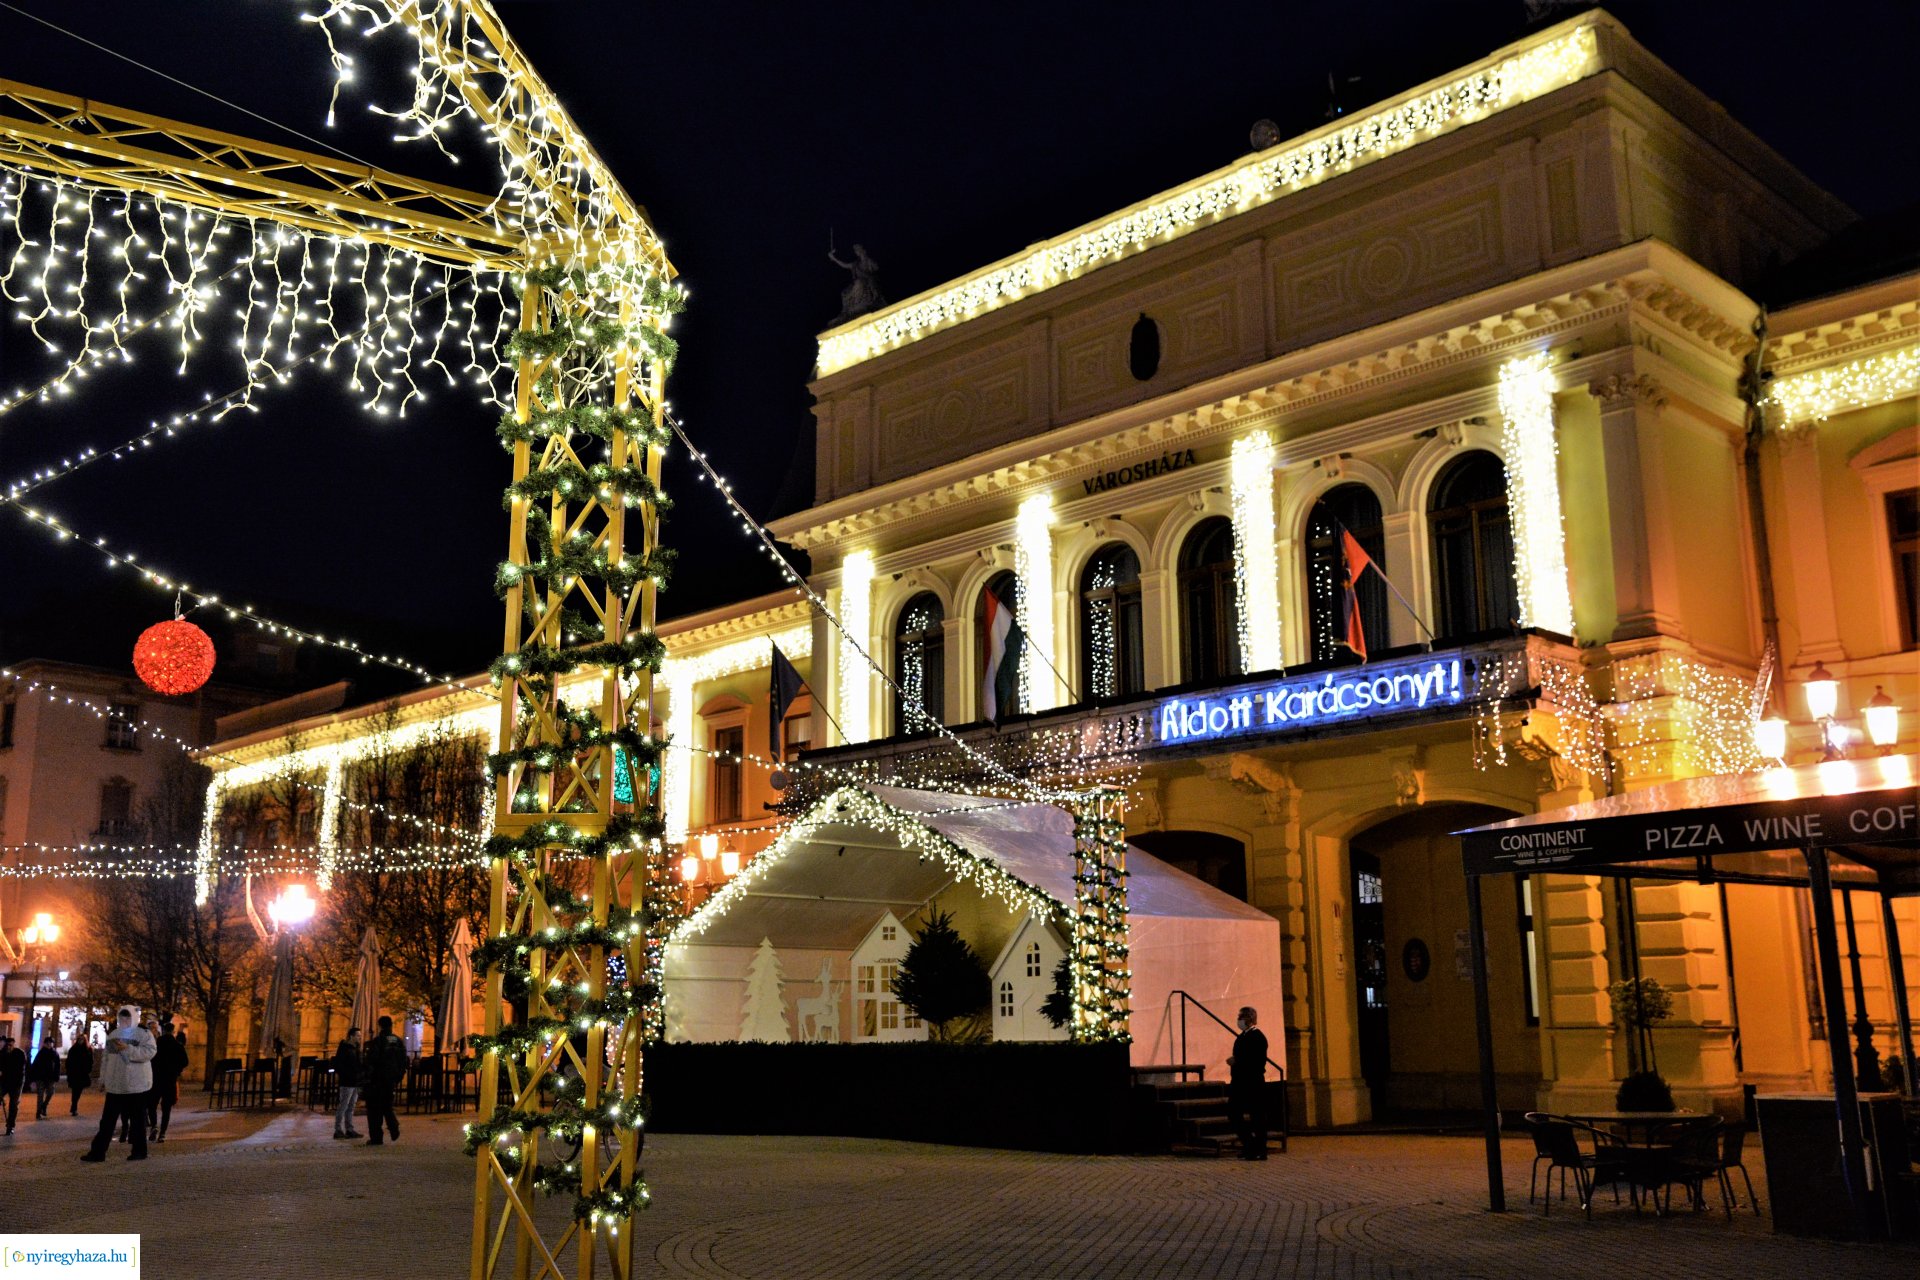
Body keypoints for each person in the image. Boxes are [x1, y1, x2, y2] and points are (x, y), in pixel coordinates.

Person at [81, 1008, 155, 1163]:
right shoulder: (114, 1034)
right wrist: (103, 1080)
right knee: (107, 1122)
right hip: (115, 1086)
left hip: (136, 1086)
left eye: (128, 1017)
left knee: (137, 1121)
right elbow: (106, 1059)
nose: (125, 1020)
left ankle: (139, 1151)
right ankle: (98, 1152)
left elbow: (149, 1052)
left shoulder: (143, 1034)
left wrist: (128, 1049)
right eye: (122, 1017)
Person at [1230, 1006, 1269, 1161]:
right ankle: (1250, 1146)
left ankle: (1258, 1149)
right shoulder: (1243, 1036)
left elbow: (1256, 1061)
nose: (1239, 1020)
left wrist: (1237, 1061)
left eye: (1241, 1017)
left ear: (1248, 1019)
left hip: (1252, 1083)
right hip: (1240, 1082)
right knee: (1235, 1114)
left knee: (1257, 1117)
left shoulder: (1257, 1037)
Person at [361, 1015, 406, 1146]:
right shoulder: (398, 1041)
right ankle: (393, 1126)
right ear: (391, 1025)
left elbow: (371, 1061)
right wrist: (398, 1077)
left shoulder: (377, 1041)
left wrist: (367, 1077)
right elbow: (403, 1061)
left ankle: (376, 1137)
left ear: (380, 1025)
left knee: (374, 1109)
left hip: (377, 1080)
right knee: (387, 1105)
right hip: (391, 1080)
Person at [148, 1019, 187, 1142]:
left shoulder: (156, 1044)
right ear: (173, 1031)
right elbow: (185, 1061)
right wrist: (177, 1070)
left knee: (152, 1104)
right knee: (166, 1108)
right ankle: (163, 1133)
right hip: (170, 1079)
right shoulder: (177, 1045)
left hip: (156, 1079)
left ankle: (154, 1125)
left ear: (163, 1031)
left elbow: (150, 1060)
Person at [332, 1026, 363, 1140]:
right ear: (351, 1036)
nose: (360, 1038)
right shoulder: (345, 1048)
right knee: (343, 1106)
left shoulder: (356, 1048)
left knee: (351, 1106)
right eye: (358, 1036)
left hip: (355, 1081)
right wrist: (345, 1074)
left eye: (360, 1036)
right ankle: (338, 1130)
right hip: (347, 1081)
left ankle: (349, 1129)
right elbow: (339, 1064)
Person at [31, 1039, 62, 1120]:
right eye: (47, 1043)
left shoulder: (55, 1053)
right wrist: (33, 1077)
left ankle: (44, 1105)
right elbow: (35, 1065)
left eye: (50, 1043)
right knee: (40, 1095)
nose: (48, 1045)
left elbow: (57, 1066)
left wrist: (56, 1076)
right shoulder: (41, 1053)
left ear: (52, 1044)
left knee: (51, 1092)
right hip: (40, 1077)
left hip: (50, 1077)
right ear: (44, 1044)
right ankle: (38, 1112)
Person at [0, 1035, 25, 1135]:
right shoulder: (2, 1054)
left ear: (14, 1045)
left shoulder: (19, 1054)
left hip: (16, 1082)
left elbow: (21, 1070)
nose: (9, 1047)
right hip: (5, 1081)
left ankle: (10, 1125)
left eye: (10, 1045)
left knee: (14, 1104)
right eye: (7, 1046)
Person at [65, 1038, 93, 1116]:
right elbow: (69, 1061)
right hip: (74, 1073)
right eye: (80, 1040)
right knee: (75, 1090)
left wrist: (88, 1069)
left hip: (82, 1074)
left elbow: (90, 1061)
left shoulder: (87, 1050)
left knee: (78, 1090)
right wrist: (69, 1071)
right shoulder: (73, 1049)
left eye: (82, 1040)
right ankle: (74, 1106)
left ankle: (74, 1105)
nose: (81, 1042)